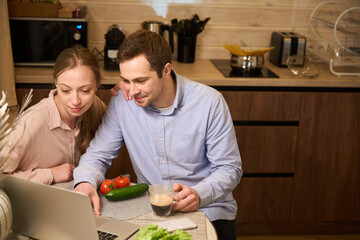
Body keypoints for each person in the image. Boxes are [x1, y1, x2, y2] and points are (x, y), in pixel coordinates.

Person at [73, 29, 242, 240]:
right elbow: (97, 155)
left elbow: (230, 169)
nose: (132, 91)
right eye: (126, 80)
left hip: (210, 209)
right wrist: (85, 183)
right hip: (153, 211)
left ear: (165, 70)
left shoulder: (210, 103)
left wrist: (200, 194)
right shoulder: (122, 102)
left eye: (141, 81)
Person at [1, 46, 107, 185]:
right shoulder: (33, 121)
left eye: (85, 90)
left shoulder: (95, 107)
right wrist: (50, 174)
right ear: (56, 83)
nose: (75, 101)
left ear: (96, 86)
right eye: (66, 90)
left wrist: (126, 89)